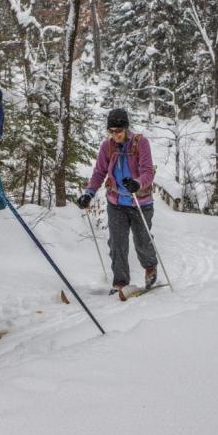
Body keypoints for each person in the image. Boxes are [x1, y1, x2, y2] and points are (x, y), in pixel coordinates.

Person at [77, 108, 158, 298]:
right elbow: (99, 172)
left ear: (126, 129)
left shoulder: (140, 143)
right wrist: (89, 193)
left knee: (142, 242)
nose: (115, 135)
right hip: (116, 202)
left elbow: (147, 171)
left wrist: (137, 183)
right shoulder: (108, 146)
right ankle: (120, 282)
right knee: (117, 243)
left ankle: (150, 268)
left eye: (118, 131)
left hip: (140, 202)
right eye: (111, 131)